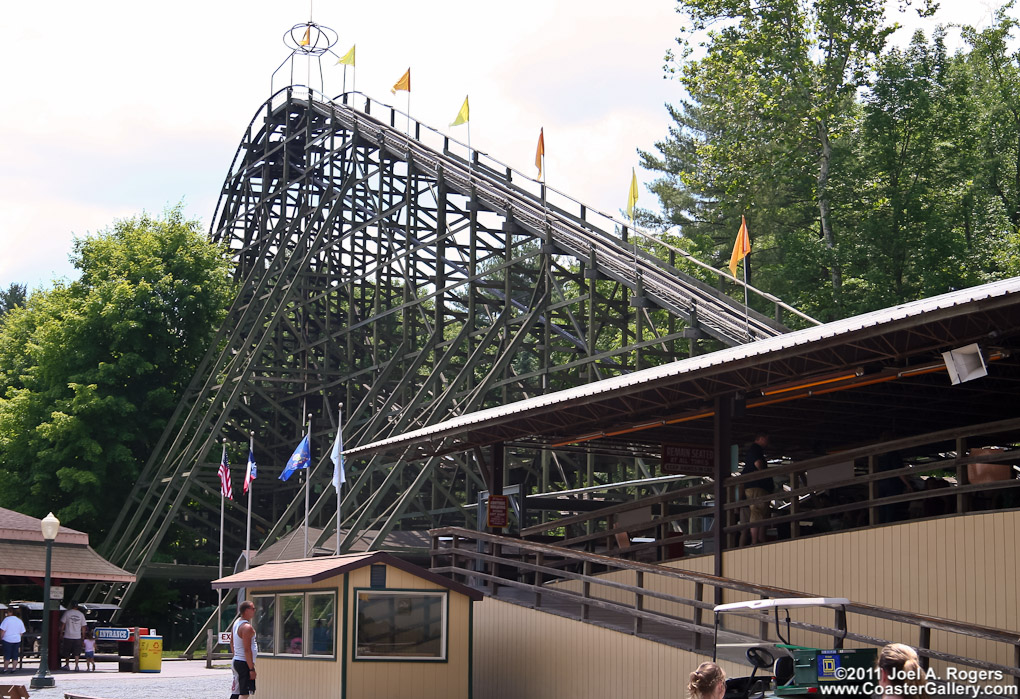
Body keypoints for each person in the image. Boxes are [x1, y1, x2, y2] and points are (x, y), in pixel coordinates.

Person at [740, 433, 773, 545]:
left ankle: (758, 539)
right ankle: (756, 540)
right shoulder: (755, 449)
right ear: (760, 438)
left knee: (758, 512)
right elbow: (758, 463)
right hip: (757, 486)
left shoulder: (754, 450)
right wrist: (762, 474)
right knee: (758, 511)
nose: (767, 441)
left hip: (753, 486)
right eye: (766, 438)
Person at [230, 600, 258, 699]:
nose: (255, 610)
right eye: (253, 608)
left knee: (236, 691)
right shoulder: (247, 627)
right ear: (246, 610)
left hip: (237, 660)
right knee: (244, 692)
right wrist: (251, 669)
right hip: (243, 662)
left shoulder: (237, 622)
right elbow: (247, 649)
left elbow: (231, 642)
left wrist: (236, 655)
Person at [59, 601, 87, 671]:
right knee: (77, 652)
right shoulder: (81, 615)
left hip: (68, 635)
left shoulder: (67, 613)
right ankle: (76, 666)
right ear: (77, 606)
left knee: (67, 651)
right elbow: (83, 627)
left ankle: (67, 665)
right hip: (77, 636)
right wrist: (83, 636)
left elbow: (63, 624)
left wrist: (61, 633)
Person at [1, 607, 27, 674]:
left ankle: (5, 669)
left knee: (7, 655)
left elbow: (3, 630)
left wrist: (1, 637)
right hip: (17, 639)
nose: (6, 614)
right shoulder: (19, 621)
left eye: (7, 612)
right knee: (15, 655)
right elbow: (22, 632)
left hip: (7, 639)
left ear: (10, 613)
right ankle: (14, 668)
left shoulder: (6, 620)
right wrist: (18, 637)